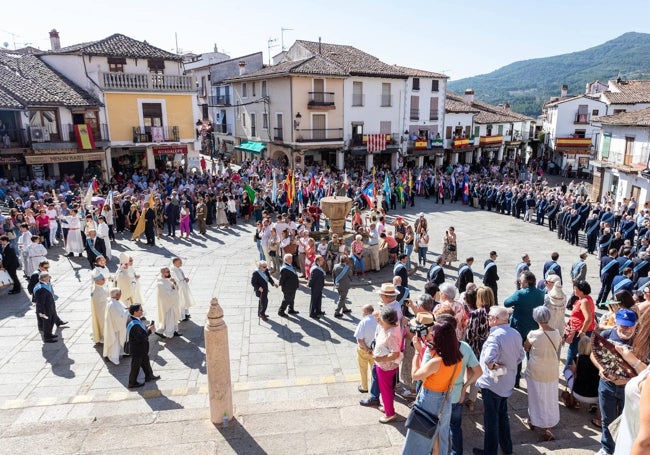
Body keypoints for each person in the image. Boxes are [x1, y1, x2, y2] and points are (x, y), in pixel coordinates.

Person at [401, 319, 462, 455]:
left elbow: (415, 375)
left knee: (419, 435)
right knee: (440, 434)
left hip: (430, 399)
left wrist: (417, 352)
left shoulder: (436, 362)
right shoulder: (457, 358)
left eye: (432, 335)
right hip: (446, 399)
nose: (429, 336)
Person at [472, 306, 525, 455]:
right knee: (502, 416)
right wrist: (508, 364)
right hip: (507, 382)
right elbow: (521, 355)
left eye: (489, 317)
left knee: (491, 421)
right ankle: (507, 447)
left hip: (493, 383)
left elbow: (489, 359)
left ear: (495, 320)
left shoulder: (495, 336)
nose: (488, 319)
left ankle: (490, 452)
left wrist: (495, 366)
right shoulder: (515, 333)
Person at [592, 309, 638, 455]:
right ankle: (607, 449)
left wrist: (626, 379)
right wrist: (600, 368)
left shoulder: (640, 342)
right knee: (607, 420)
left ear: (636, 324)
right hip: (607, 386)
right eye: (623, 325)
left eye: (630, 325)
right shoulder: (605, 335)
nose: (627, 329)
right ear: (616, 323)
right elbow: (593, 353)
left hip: (629, 388)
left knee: (628, 422)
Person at [523, 306, 561, 441]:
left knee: (535, 397)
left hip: (536, 370)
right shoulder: (556, 333)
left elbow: (526, 347)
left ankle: (533, 420)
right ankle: (549, 427)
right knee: (550, 397)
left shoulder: (533, 334)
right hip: (551, 369)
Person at [504, 270, 545, 387]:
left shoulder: (520, 294)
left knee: (517, 355)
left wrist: (518, 293)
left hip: (519, 328)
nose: (519, 282)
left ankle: (516, 380)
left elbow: (506, 303)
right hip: (533, 328)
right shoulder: (541, 293)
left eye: (521, 280)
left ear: (526, 283)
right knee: (531, 355)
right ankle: (532, 378)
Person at [464, 286, 494, 410]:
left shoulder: (475, 314)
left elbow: (470, 334)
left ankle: (471, 399)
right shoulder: (495, 312)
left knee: (473, 372)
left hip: (476, 347)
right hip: (491, 347)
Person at [373, 305, 403, 424]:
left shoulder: (391, 334)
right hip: (385, 366)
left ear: (386, 320)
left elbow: (395, 353)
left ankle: (390, 413)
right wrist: (378, 317)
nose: (379, 321)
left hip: (386, 366)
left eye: (380, 319)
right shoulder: (393, 326)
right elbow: (382, 322)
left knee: (386, 390)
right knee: (386, 389)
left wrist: (380, 358)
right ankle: (387, 407)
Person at [126, 304, 160, 389]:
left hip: (141, 349)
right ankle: (132, 383)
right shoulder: (135, 325)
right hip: (138, 349)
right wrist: (149, 330)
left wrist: (146, 327)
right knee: (135, 366)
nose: (142, 311)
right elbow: (141, 338)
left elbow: (141, 330)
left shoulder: (133, 319)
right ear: (135, 312)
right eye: (140, 310)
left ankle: (149, 376)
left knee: (145, 362)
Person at [564, 280, 596, 369]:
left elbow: (588, 318)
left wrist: (582, 331)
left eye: (575, 289)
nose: (574, 291)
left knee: (572, 351)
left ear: (581, 291)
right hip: (583, 330)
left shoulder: (584, 301)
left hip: (580, 331)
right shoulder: (587, 298)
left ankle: (567, 371)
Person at [354, 304, 377, 393]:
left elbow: (359, 339)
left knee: (363, 369)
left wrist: (367, 349)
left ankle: (364, 387)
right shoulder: (378, 321)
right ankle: (374, 387)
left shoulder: (363, 322)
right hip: (375, 351)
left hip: (363, 350)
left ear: (366, 312)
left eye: (363, 311)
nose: (362, 313)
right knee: (374, 370)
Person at [103, 287, 129, 365]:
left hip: (115, 327)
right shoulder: (113, 304)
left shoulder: (113, 301)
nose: (121, 295)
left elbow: (121, 310)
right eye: (120, 293)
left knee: (118, 342)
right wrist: (127, 311)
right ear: (117, 294)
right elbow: (119, 317)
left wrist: (126, 309)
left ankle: (121, 352)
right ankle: (113, 357)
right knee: (115, 343)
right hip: (115, 329)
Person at [33, 272, 61, 343]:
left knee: (51, 321)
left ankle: (49, 334)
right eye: (49, 277)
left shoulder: (45, 284)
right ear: (45, 279)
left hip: (50, 307)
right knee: (47, 323)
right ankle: (47, 338)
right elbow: (40, 303)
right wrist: (42, 313)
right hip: (45, 310)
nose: (50, 278)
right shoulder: (40, 289)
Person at [156, 267, 181, 339]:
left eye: (169, 271)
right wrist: (174, 289)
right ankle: (161, 331)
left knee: (174, 318)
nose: (169, 273)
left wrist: (175, 283)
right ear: (163, 273)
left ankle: (175, 331)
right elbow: (168, 294)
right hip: (167, 304)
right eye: (167, 272)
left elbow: (176, 288)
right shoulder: (160, 283)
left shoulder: (169, 279)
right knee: (168, 319)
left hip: (173, 303)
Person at [170, 257, 194, 322]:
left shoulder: (178, 269)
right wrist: (185, 280)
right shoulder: (173, 271)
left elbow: (181, 278)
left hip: (183, 287)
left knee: (185, 301)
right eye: (179, 262)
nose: (181, 263)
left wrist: (185, 279)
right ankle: (182, 316)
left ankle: (186, 314)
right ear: (175, 263)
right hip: (179, 289)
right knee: (181, 302)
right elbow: (177, 282)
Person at [90, 270, 108, 345]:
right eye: (103, 279)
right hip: (102, 312)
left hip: (103, 310)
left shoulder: (99, 288)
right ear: (97, 281)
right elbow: (101, 304)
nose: (105, 280)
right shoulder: (97, 291)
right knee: (103, 324)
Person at [308, 255, 326, 319]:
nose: (323, 261)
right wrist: (309, 284)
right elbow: (312, 278)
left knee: (318, 299)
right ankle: (312, 313)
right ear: (318, 261)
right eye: (322, 260)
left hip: (319, 286)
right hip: (316, 286)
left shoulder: (318, 267)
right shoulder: (315, 269)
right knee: (314, 300)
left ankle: (318, 311)